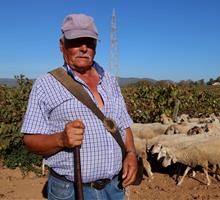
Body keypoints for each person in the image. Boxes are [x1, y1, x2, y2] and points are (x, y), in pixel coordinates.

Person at [21, 13, 137, 200]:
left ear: (95, 46)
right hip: (71, 190)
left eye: (89, 42)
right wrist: (61, 139)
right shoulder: (46, 84)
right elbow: (30, 140)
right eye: (76, 41)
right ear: (62, 45)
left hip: (115, 187)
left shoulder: (109, 80)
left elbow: (123, 124)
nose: (84, 48)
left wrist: (131, 153)